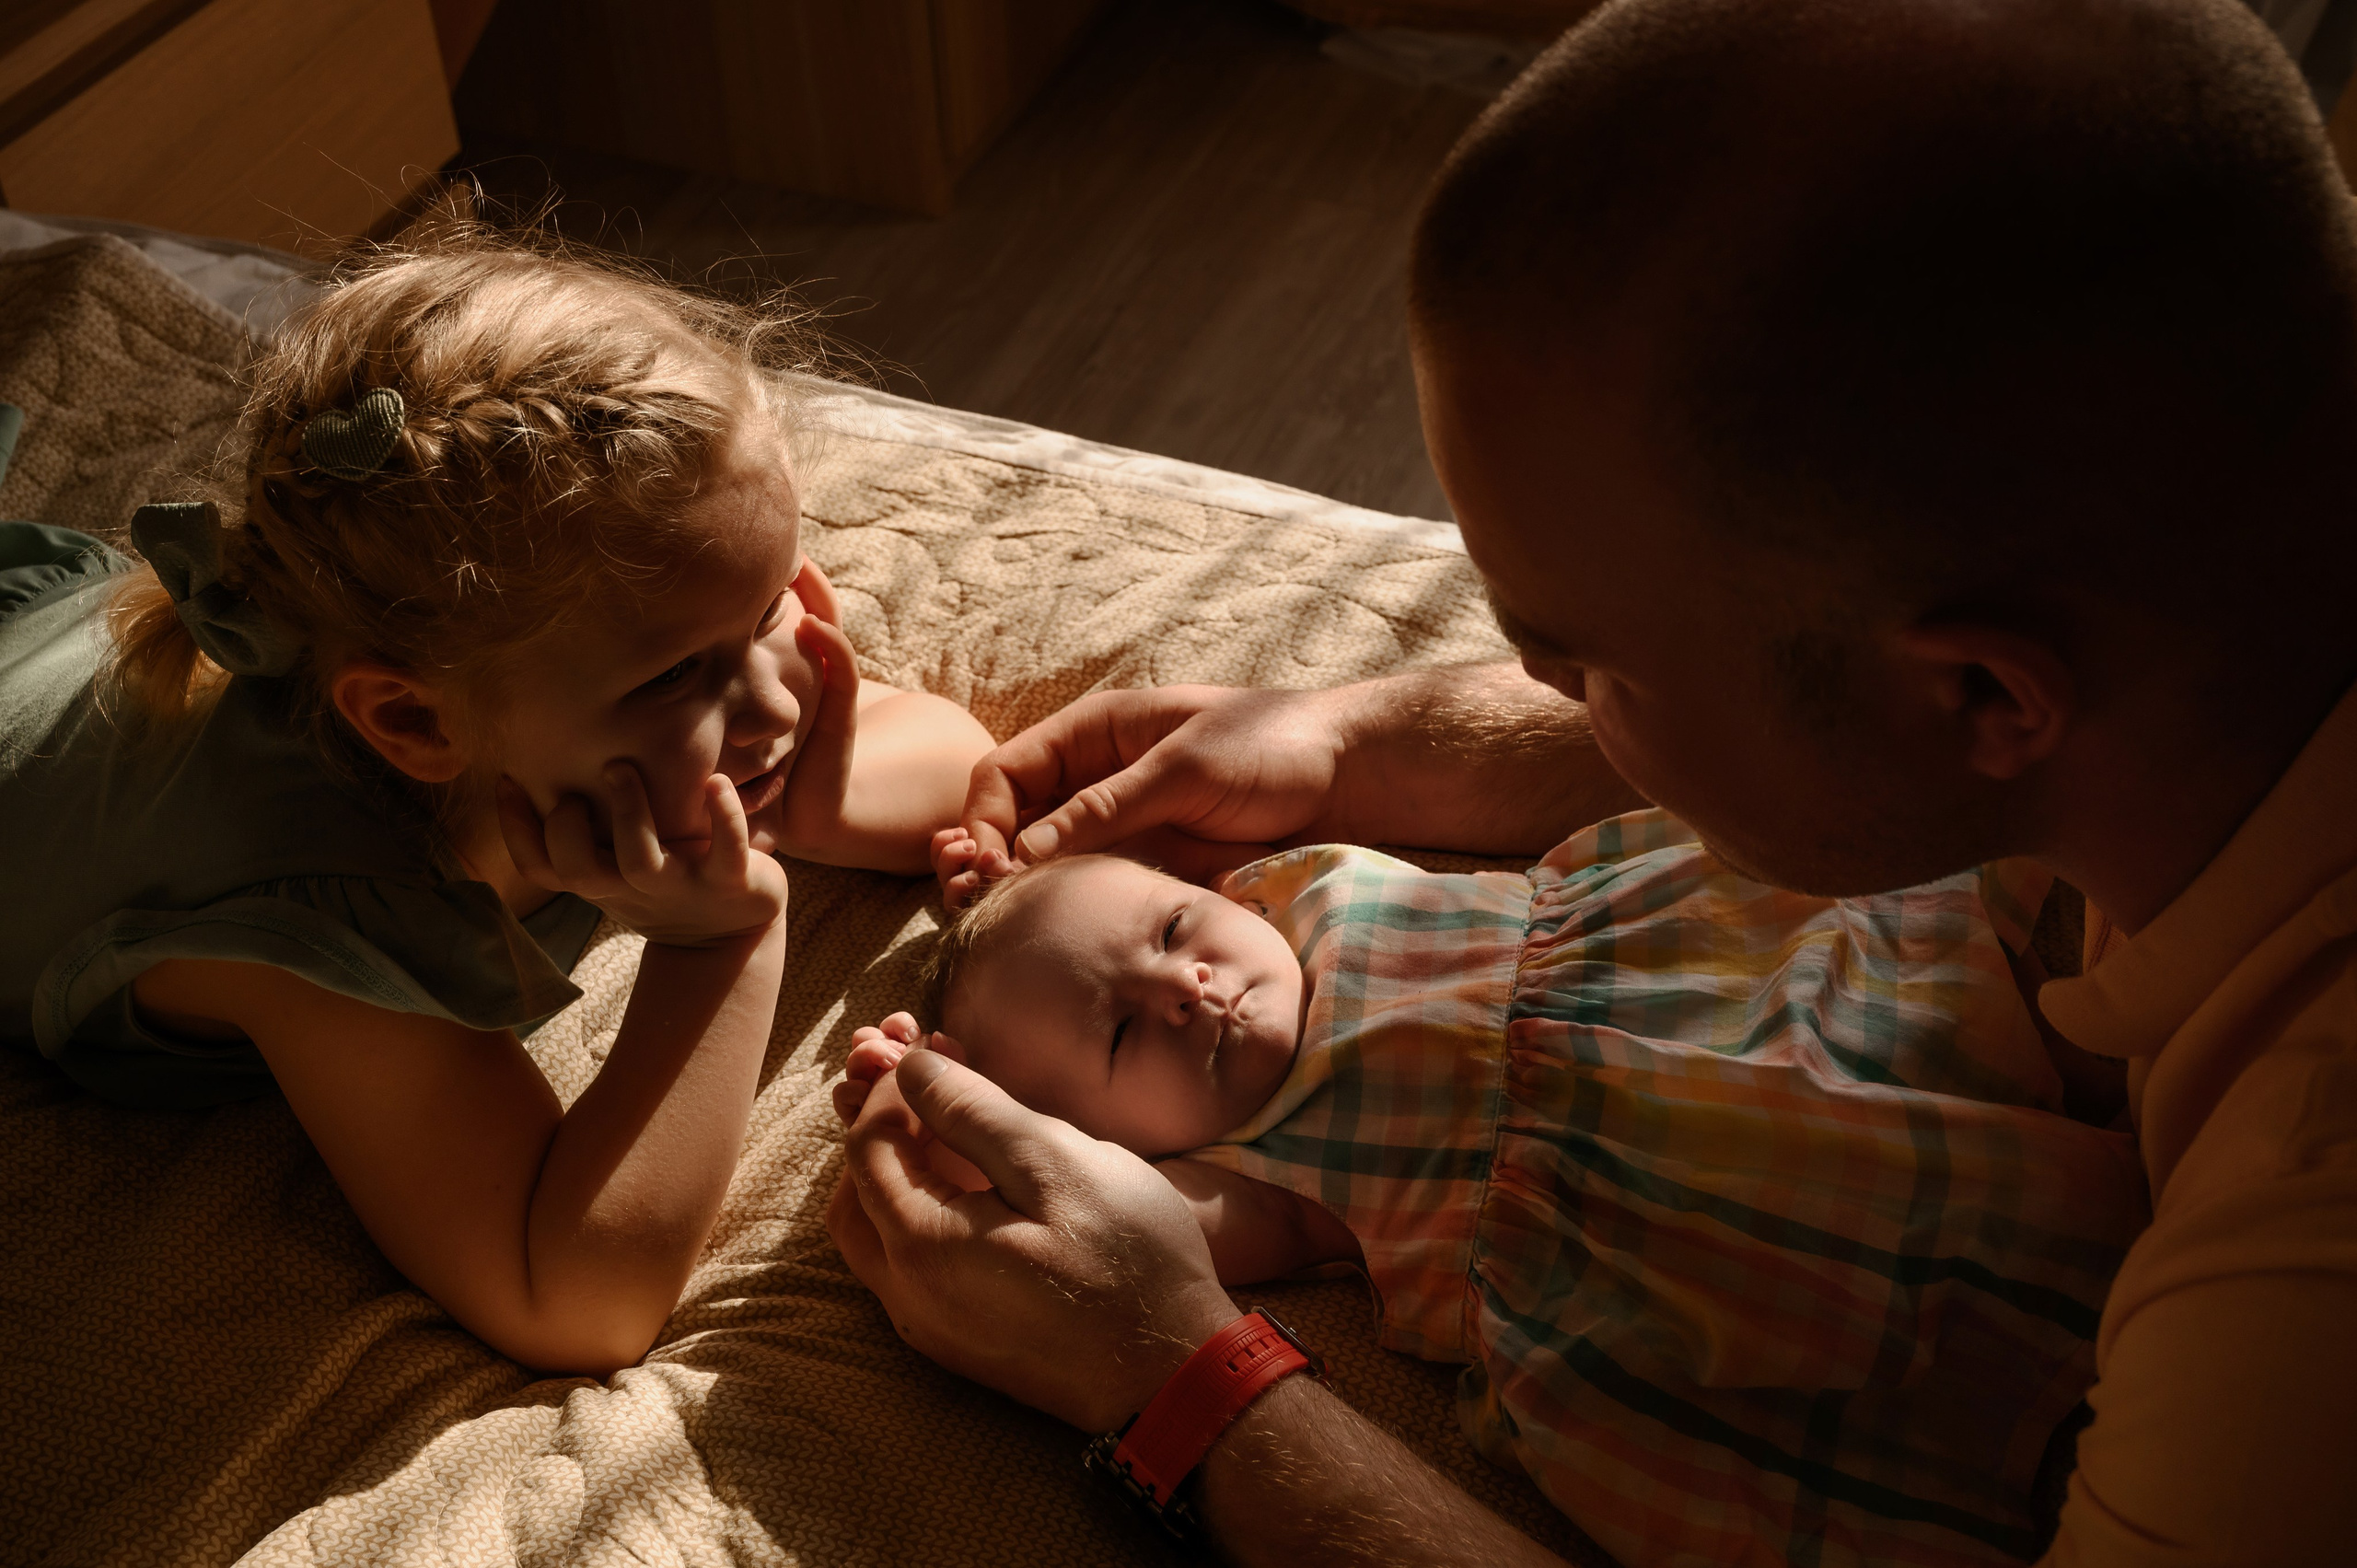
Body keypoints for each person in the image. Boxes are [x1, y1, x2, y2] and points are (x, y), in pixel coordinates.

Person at [829, 0, 2357, 1563]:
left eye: (1596, 667)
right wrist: (1349, 742)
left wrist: (1180, 1380)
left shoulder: (2299, 1307)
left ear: (1981, 693)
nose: (1549, 701)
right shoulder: (2212, 604)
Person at [0, 227, 994, 1376]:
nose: (775, 697)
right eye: (678, 675)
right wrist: (720, 942)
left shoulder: (547, 692)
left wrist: (804, 804)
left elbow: (961, 766)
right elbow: (572, 1302)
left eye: (770, 606)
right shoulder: (317, 913)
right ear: (417, 724)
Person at [842, 837, 2143, 1564]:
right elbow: (1116, 1227)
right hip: (1653, 1200)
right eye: (1124, 1032)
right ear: (1099, 1140)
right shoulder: (1251, 1172)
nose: (1185, 986)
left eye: (1175, 928)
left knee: (1910, 992)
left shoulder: (1300, 891)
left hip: (1695, 972)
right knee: (1871, 1250)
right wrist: (939, 1113)